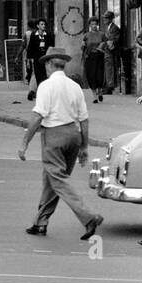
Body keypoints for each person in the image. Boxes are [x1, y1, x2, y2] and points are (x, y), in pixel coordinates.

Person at [19, 50, 103, 240]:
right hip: (74, 135)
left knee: (58, 180)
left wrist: (24, 143)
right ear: (62, 65)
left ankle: (88, 217)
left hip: (53, 136)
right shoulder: (75, 87)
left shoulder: (46, 86)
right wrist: (83, 147)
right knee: (52, 179)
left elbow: (37, 116)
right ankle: (40, 222)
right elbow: (84, 120)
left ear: (49, 64)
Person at [25, 19, 52, 101]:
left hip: (46, 57)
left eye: (44, 24)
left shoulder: (48, 34)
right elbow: (30, 48)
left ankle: (42, 93)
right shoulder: (34, 35)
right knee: (37, 74)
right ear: (38, 26)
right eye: (41, 24)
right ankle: (35, 92)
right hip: (37, 57)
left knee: (45, 74)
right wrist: (29, 59)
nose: (43, 26)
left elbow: (51, 46)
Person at [81, 19, 105, 103]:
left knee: (99, 75)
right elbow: (82, 48)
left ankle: (100, 90)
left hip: (99, 57)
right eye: (92, 24)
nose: (94, 26)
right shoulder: (86, 35)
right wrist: (83, 45)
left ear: (97, 25)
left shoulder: (102, 34)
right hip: (89, 57)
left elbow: (106, 44)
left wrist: (102, 46)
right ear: (89, 25)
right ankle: (94, 96)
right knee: (91, 76)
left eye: (95, 24)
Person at [102, 11, 122, 95]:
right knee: (108, 69)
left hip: (111, 52)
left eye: (106, 18)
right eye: (104, 18)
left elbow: (115, 40)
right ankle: (109, 86)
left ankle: (110, 87)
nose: (104, 20)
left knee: (110, 69)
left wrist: (108, 43)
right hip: (107, 52)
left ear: (110, 19)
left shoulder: (114, 28)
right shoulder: (109, 27)